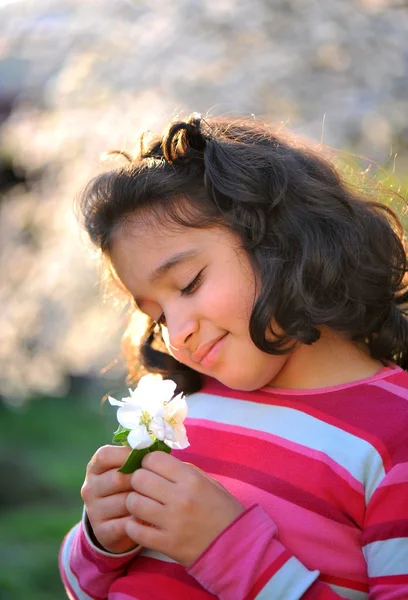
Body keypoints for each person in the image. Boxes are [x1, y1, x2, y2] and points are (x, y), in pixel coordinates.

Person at [59, 114, 408, 600]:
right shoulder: (185, 412)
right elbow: (83, 587)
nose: (178, 333)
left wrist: (224, 549)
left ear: (285, 237)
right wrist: (100, 537)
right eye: (157, 315)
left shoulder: (396, 433)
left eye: (189, 284)